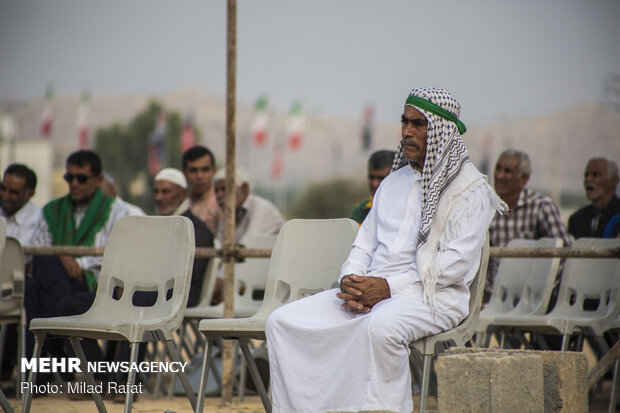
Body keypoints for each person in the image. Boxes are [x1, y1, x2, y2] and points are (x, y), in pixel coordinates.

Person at [265, 87, 507, 413]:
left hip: (434, 297)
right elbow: (363, 244)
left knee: (381, 328)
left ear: (440, 130)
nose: (407, 132)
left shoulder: (470, 189)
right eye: (404, 122)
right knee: (282, 322)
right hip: (371, 291)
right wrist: (351, 280)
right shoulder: (392, 182)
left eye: (418, 124)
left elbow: (454, 267)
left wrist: (388, 288)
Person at [25, 150, 129, 360]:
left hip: (95, 284)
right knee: (34, 285)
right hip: (58, 282)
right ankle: (44, 370)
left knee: (47, 291)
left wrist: (77, 263)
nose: (74, 183)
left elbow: (116, 257)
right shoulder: (52, 210)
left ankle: (50, 367)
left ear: (98, 180)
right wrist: (63, 257)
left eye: (81, 178)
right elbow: (38, 250)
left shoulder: (116, 211)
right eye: (69, 177)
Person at [486, 149, 571, 301]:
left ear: (523, 179)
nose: (499, 176)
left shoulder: (541, 206)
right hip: (491, 297)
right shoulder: (485, 208)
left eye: (507, 171)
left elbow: (564, 253)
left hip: (530, 298)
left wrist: (544, 288)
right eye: (498, 168)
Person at [153, 167, 214, 307]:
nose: (158, 197)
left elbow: (189, 275)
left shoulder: (197, 229)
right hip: (158, 291)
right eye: (156, 192)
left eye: (165, 192)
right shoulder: (158, 225)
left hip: (180, 295)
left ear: (181, 194)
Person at [213, 166, 285, 244]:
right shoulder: (229, 217)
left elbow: (249, 245)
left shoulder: (262, 208)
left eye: (224, 189)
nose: (219, 195)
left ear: (244, 188)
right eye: (216, 191)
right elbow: (220, 247)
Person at [568, 157, 620, 238]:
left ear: (613, 181)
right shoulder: (576, 219)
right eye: (586, 175)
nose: (588, 179)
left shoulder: (617, 214)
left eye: (595, 175)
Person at [182, 145, 223, 236]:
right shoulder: (183, 205)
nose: (199, 176)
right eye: (193, 170)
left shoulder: (220, 204)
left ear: (214, 171)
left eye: (205, 170)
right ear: (184, 173)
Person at [350, 149, 396, 224]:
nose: (374, 184)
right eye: (371, 177)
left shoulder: (408, 209)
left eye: (381, 178)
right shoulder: (360, 211)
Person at [0, 163, 41, 247]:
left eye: (13, 192)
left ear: (30, 194)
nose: (5, 196)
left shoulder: (38, 222)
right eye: (3, 188)